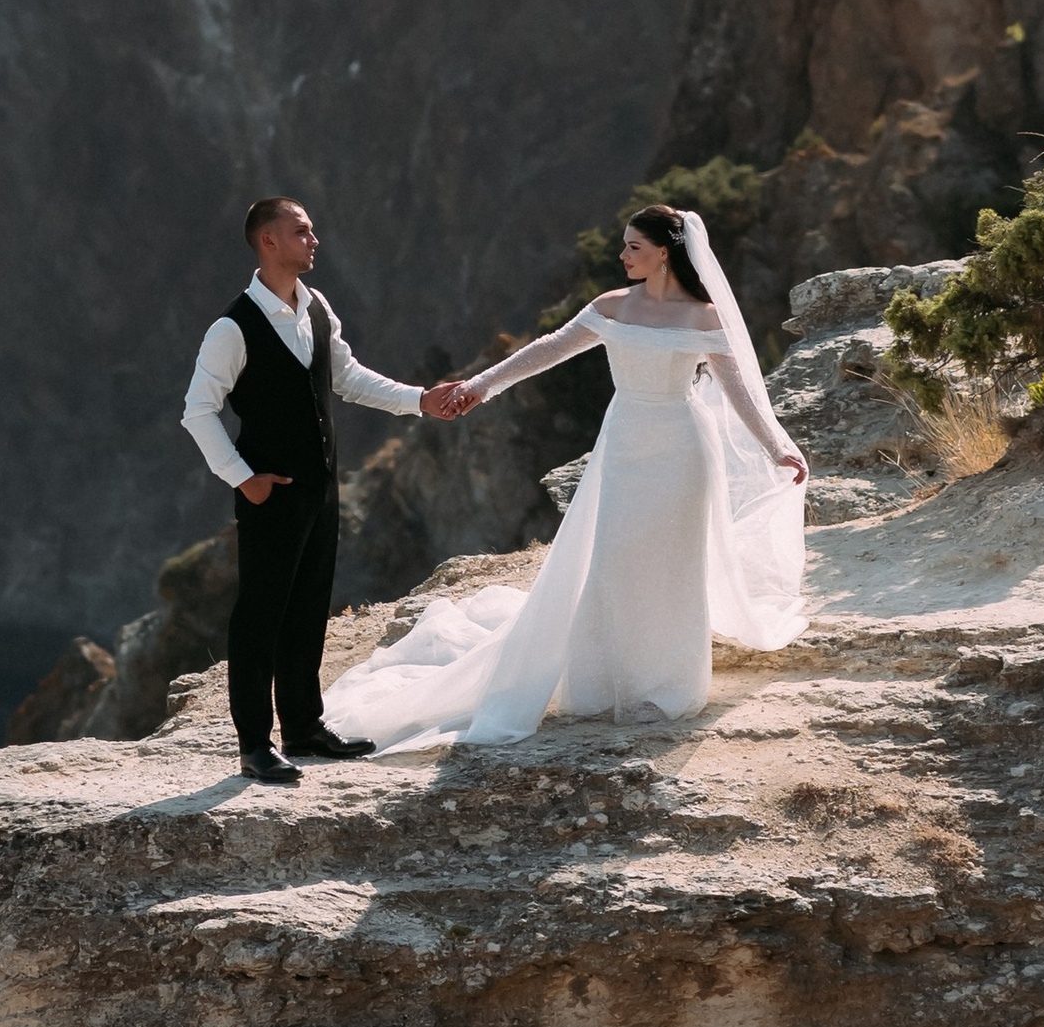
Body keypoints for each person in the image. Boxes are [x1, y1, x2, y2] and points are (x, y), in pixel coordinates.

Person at [319, 201, 806, 753]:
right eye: (624, 245)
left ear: (664, 254)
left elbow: (740, 392)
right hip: (625, 442)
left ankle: (666, 687)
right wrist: (479, 386)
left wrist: (778, 448)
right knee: (615, 557)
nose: (622, 255)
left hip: (684, 448)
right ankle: (604, 679)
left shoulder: (704, 316)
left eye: (634, 247)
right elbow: (549, 349)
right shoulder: (612, 306)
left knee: (674, 561)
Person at [180, 196, 461, 787]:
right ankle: (254, 746)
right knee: (259, 616)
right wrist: (243, 478)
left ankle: (303, 727)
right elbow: (198, 411)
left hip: (322, 488)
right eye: (302, 231)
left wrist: (420, 400)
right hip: (269, 494)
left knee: (308, 608)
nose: (314, 240)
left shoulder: (316, 306)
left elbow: (348, 378)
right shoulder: (232, 328)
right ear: (269, 241)